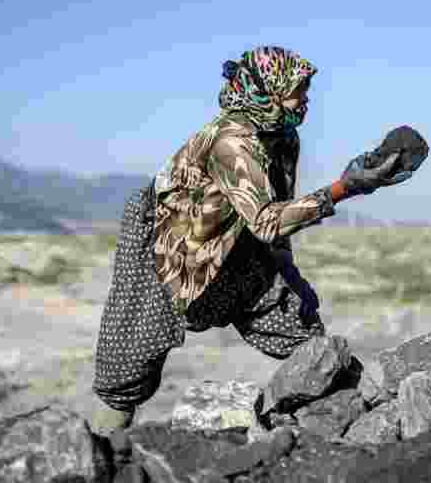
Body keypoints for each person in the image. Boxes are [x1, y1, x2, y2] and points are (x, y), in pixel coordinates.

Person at [92, 45, 411, 429]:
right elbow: (265, 221)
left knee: (298, 325)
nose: (306, 100)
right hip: (167, 246)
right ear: (269, 90)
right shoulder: (233, 142)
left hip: (234, 241)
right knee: (128, 362)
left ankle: (367, 417)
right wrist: (344, 188)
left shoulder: (284, 139)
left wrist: (290, 274)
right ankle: (103, 450)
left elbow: (276, 211)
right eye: (299, 90)